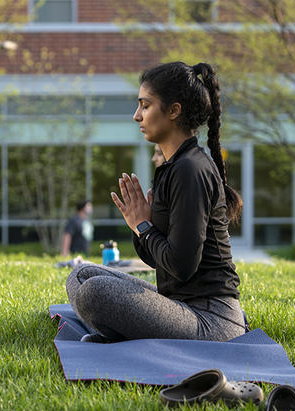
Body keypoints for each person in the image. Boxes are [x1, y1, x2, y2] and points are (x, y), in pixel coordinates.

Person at [66, 61, 245, 343]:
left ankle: (118, 334)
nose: (137, 116)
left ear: (174, 110)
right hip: (179, 306)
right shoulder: (173, 166)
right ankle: (121, 332)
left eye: (145, 106)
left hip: (213, 322)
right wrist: (142, 227)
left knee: (94, 293)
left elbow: (182, 265)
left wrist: (145, 226)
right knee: (82, 275)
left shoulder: (190, 170)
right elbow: (158, 259)